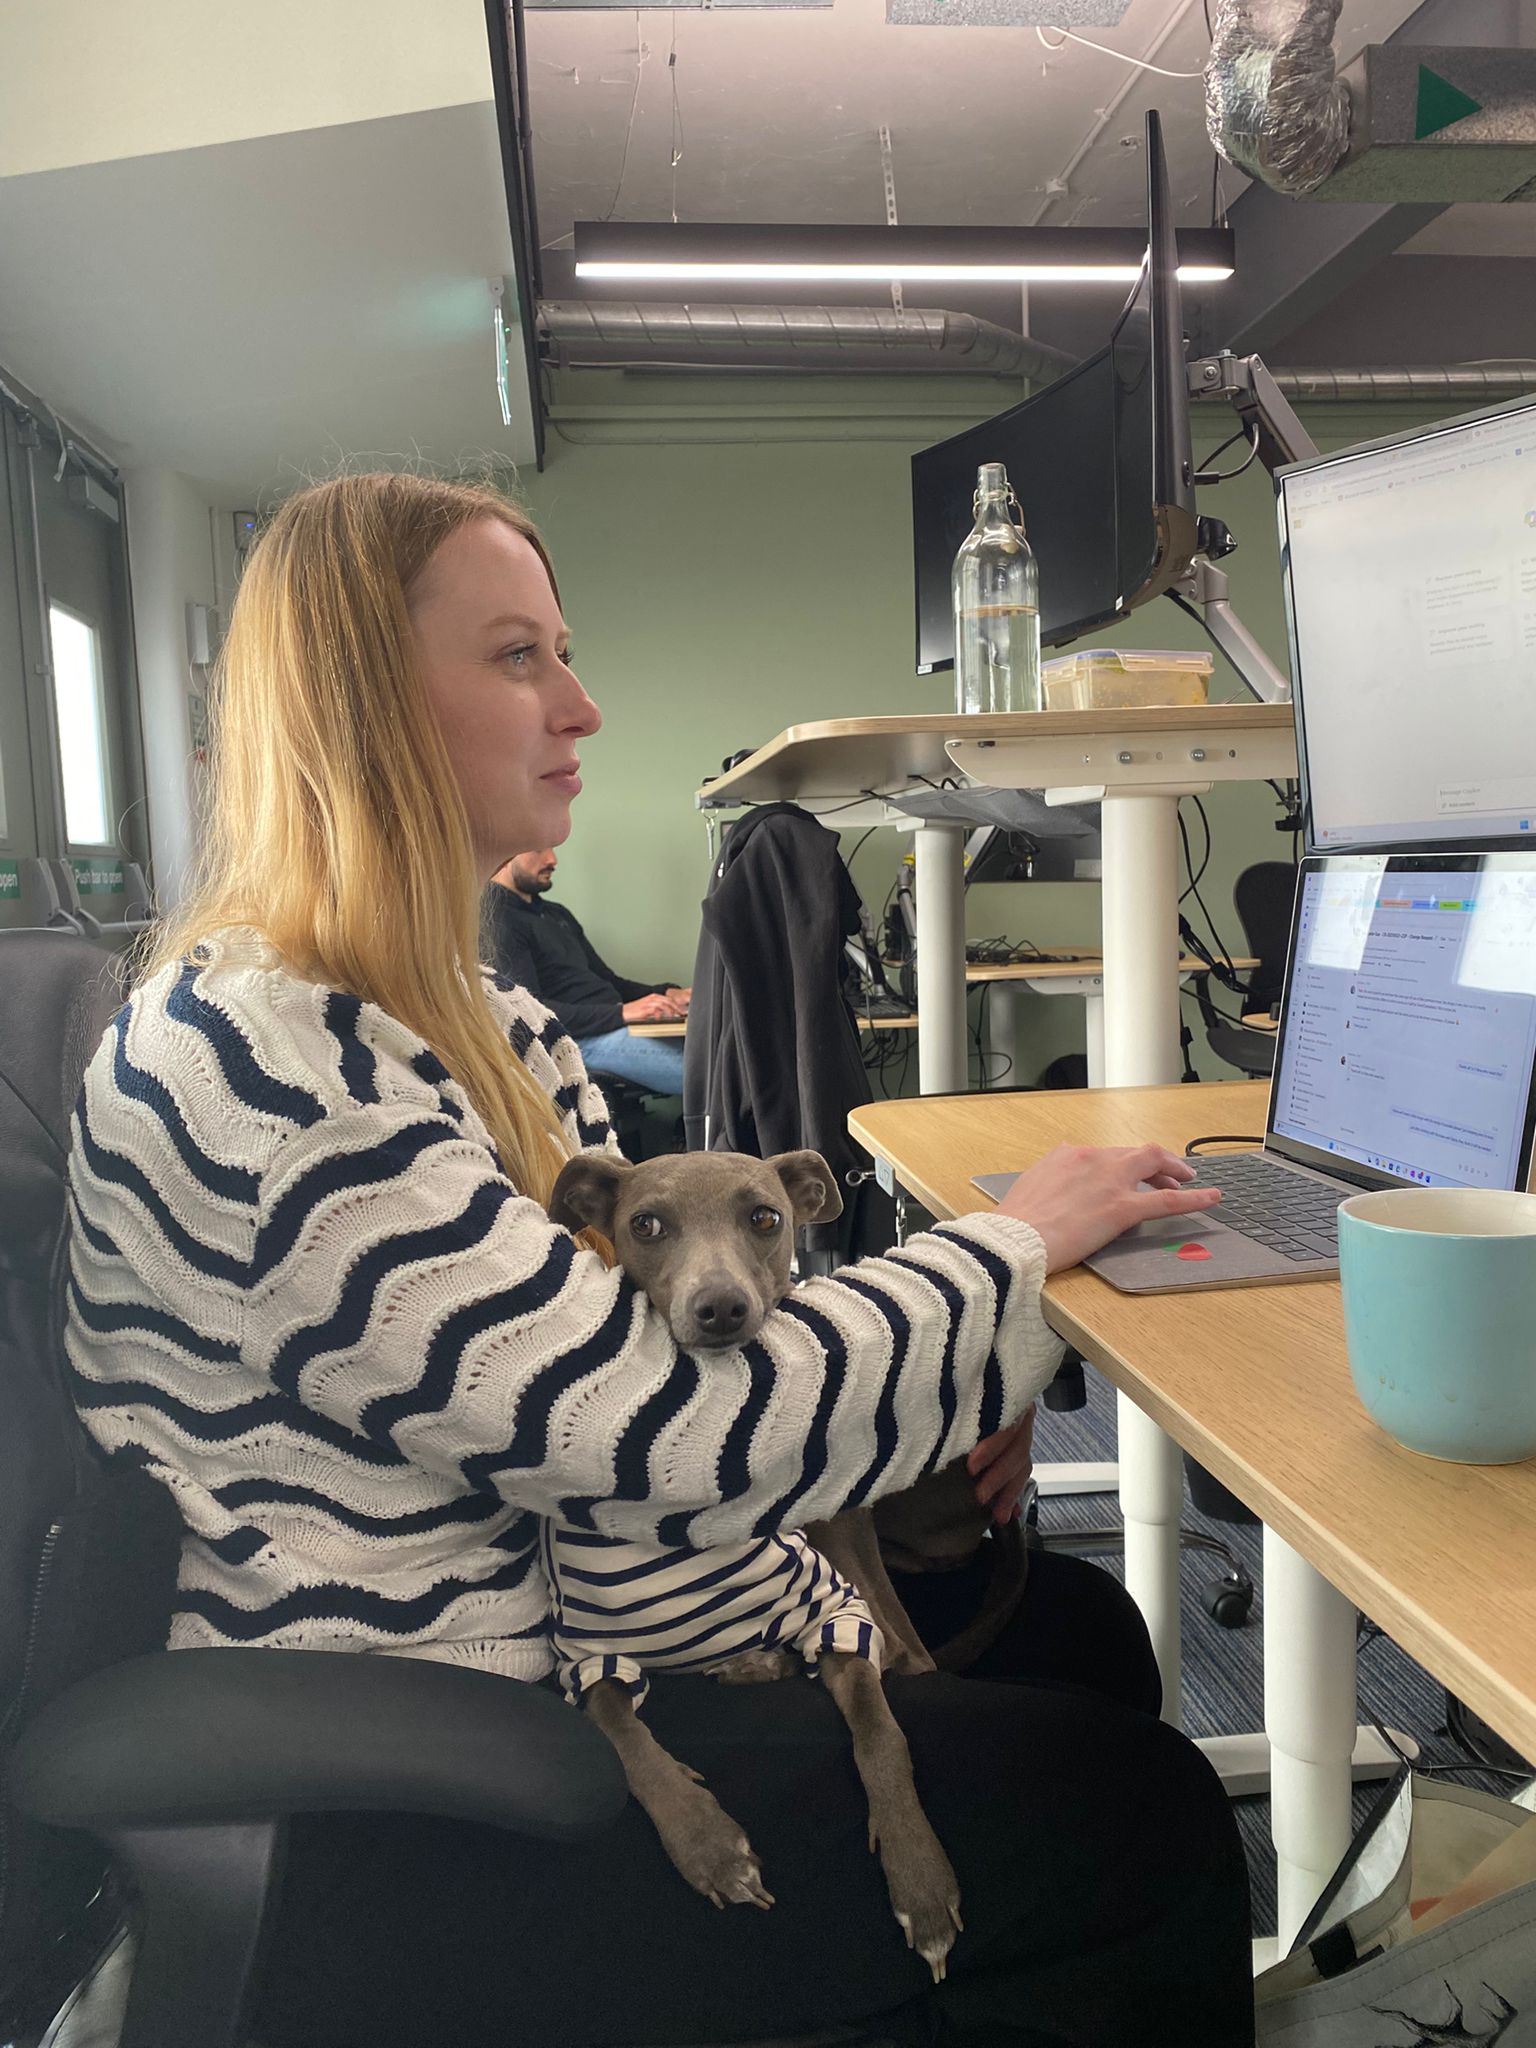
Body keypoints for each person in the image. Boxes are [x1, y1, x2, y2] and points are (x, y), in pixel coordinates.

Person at [65, 474, 1252, 2048]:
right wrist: (1012, 1251)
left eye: (563, 651)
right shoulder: (265, 1058)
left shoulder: (478, 1025)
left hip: (586, 1599)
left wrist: (903, 1444)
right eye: (516, 659)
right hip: (434, 1760)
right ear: (361, 705)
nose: (583, 705)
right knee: (1145, 1818)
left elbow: (655, 1353)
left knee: (1083, 1640)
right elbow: (662, 1430)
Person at [486, 845, 689, 1094]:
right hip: (574, 1042)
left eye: (553, 849)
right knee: (712, 1076)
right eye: (539, 849)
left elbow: (607, 981)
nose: (552, 859)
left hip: (613, 1026)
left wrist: (667, 994)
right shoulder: (497, 921)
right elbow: (529, 1011)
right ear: (506, 856)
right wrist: (622, 1014)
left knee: (718, 1053)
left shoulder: (556, 914)